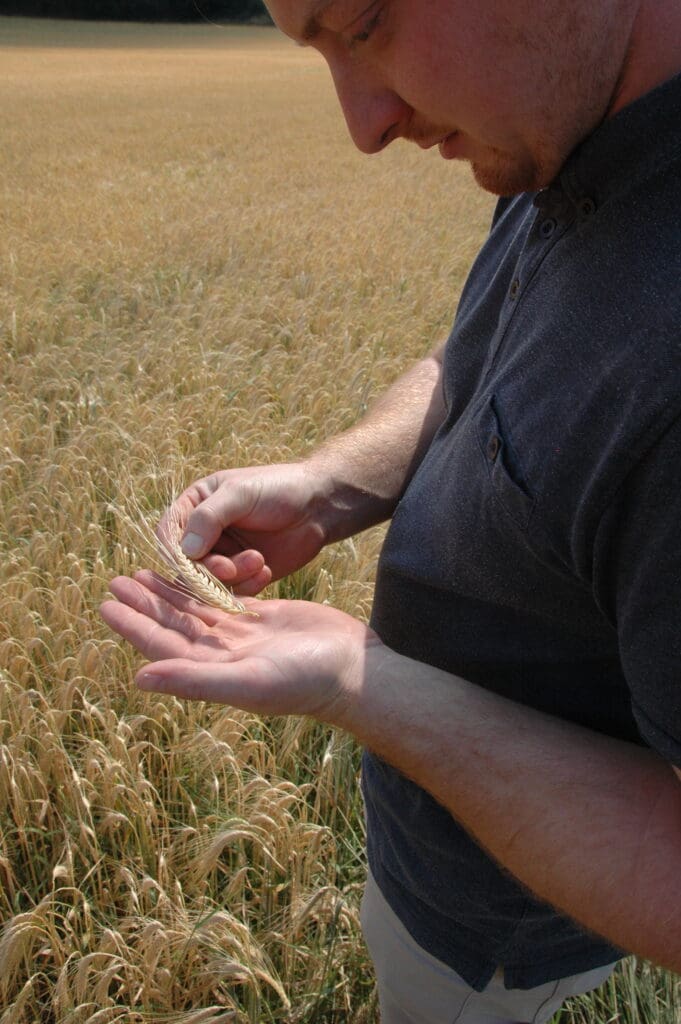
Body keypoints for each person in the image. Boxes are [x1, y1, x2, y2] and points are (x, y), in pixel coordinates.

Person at [101, 2, 681, 1021]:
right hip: (442, 856)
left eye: (366, 21)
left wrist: (360, 686)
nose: (362, 125)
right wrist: (329, 486)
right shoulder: (565, 127)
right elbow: (485, 358)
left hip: (492, 935)